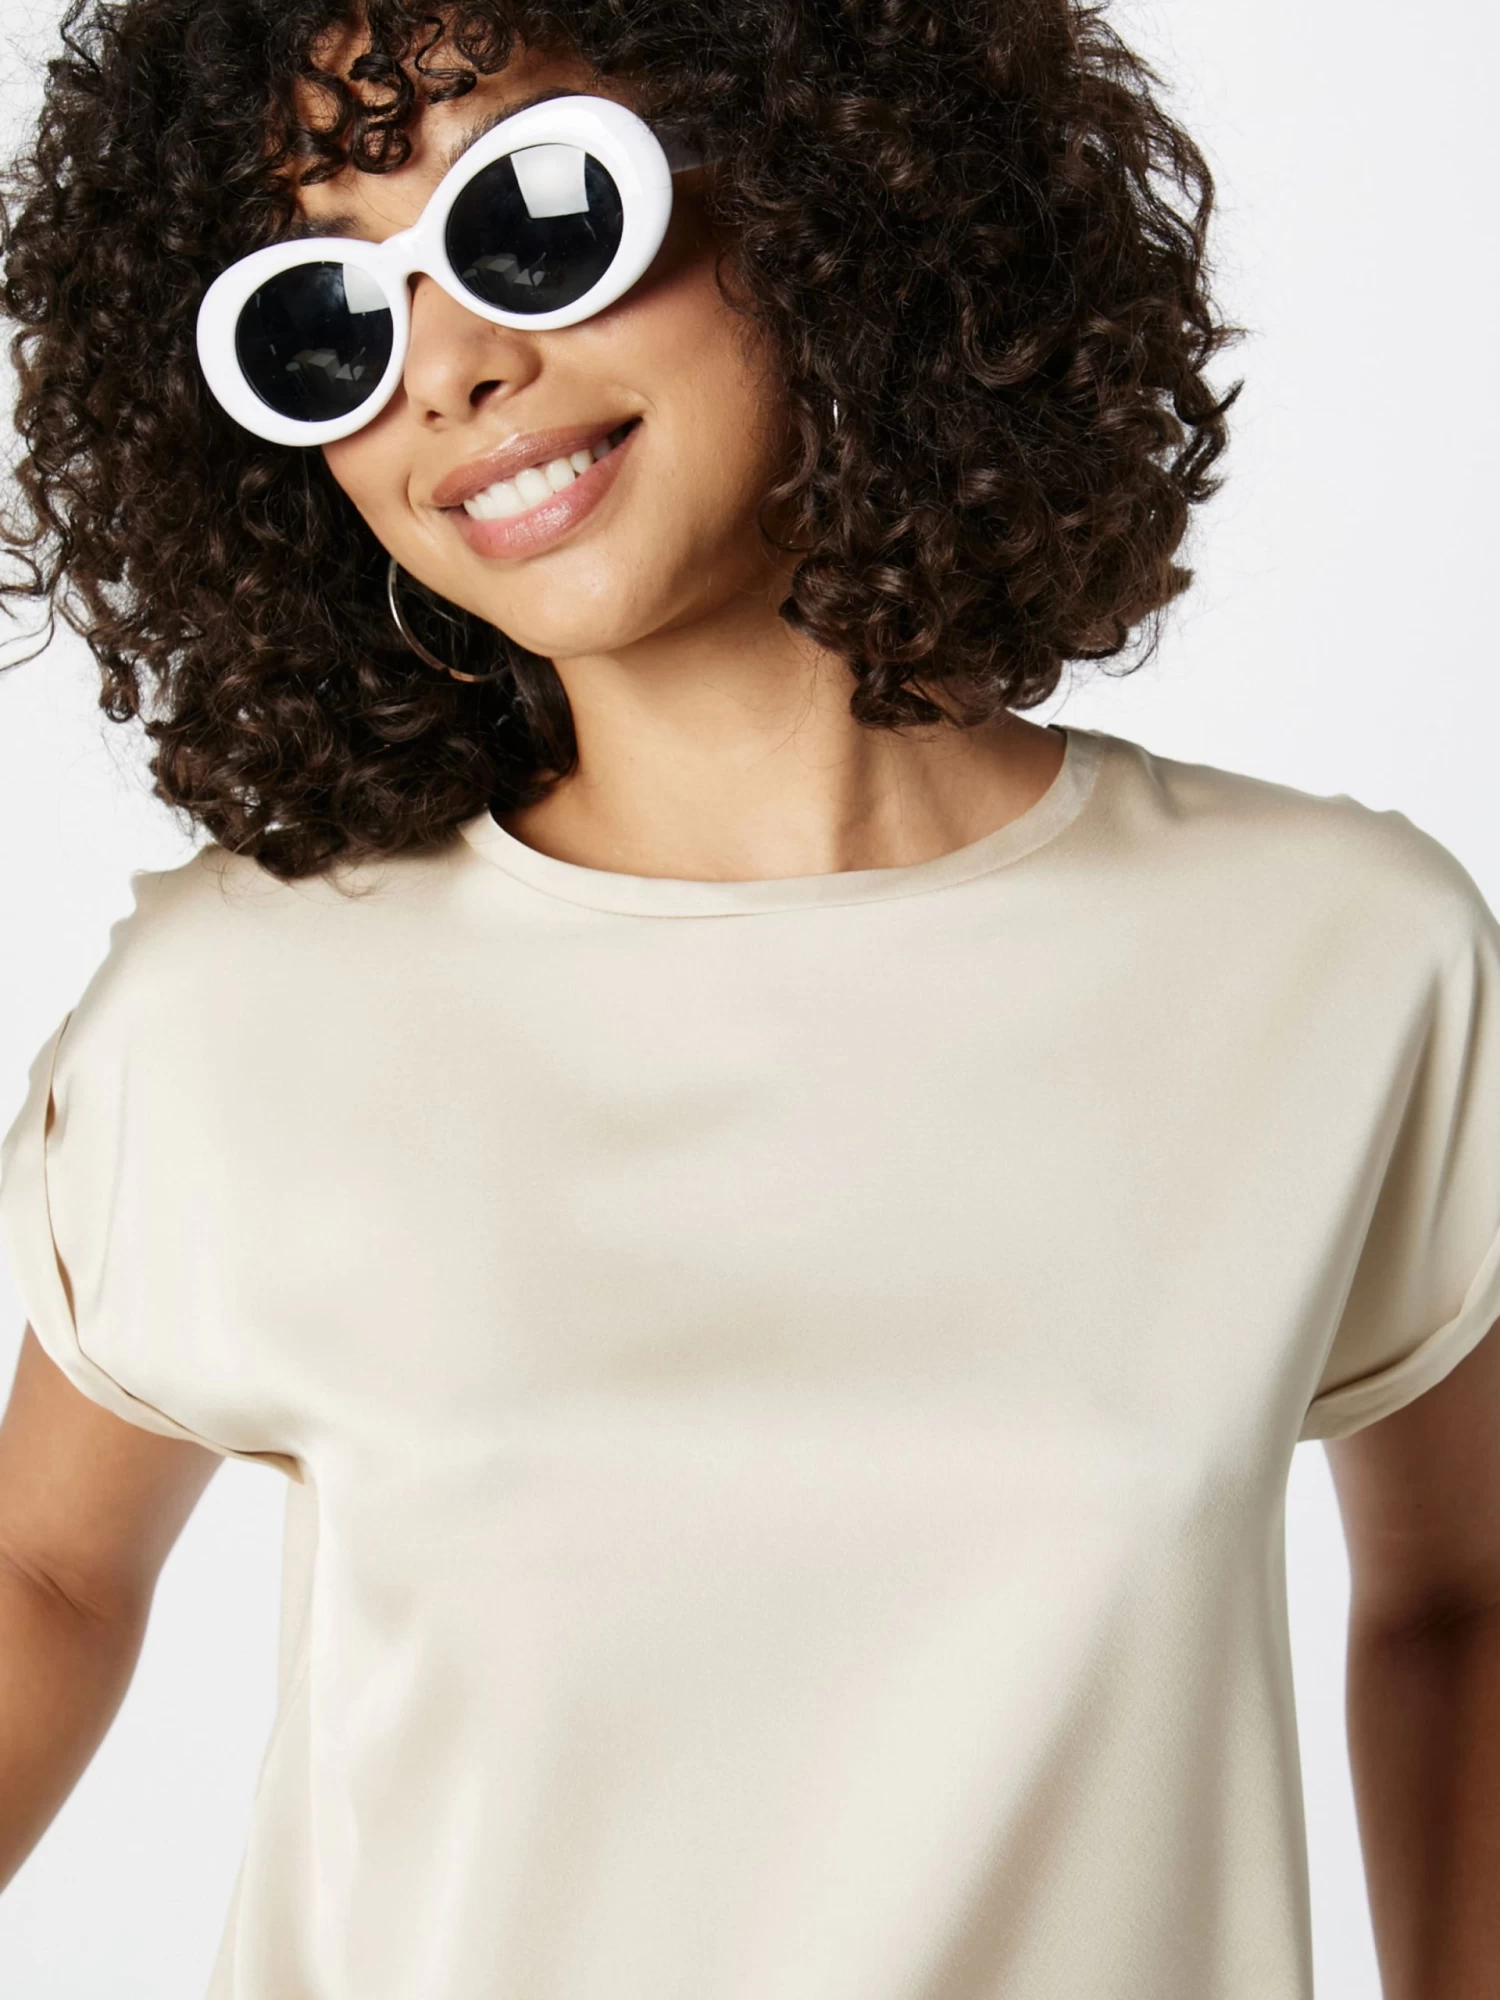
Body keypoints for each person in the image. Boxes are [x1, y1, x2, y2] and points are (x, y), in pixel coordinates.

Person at [0, 0, 1496, 1995]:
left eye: (536, 215)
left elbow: (1467, 1595)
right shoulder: (241, 1008)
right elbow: (49, 1566)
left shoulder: (1333, 961)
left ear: (830, 188)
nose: (446, 367)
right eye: (322, 320)